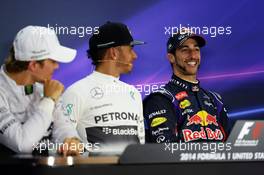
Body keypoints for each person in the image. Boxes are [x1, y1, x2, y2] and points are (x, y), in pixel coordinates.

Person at [59, 21, 145, 155]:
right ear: (114, 53)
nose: (135, 56)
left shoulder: (133, 93)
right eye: (130, 49)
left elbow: (140, 147)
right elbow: (61, 142)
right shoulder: (76, 92)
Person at [0, 26, 82, 156]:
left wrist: (71, 139)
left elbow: (63, 126)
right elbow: (23, 144)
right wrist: (48, 100)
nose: (57, 66)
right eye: (53, 61)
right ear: (33, 65)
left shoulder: (45, 87)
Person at [143, 29, 230, 143]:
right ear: (171, 57)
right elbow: (165, 150)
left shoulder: (215, 99)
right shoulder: (161, 99)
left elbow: (231, 145)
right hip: (182, 161)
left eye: (196, 49)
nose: (193, 55)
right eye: (185, 50)